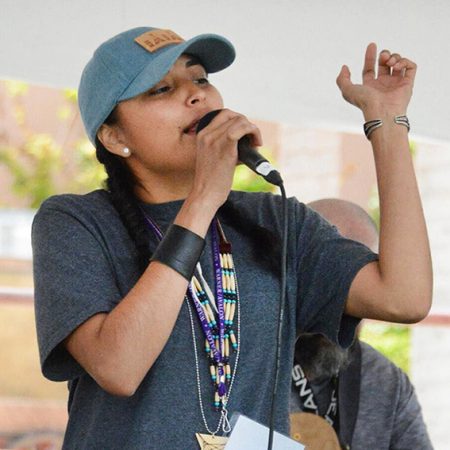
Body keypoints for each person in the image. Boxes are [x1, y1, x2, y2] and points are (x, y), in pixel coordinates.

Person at [31, 26, 432, 449]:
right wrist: (204, 197)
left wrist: (387, 123)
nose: (195, 95)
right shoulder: (76, 223)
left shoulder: (276, 221)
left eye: (201, 79)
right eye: (162, 89)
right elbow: (119, 368)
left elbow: (403, 297)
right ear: (116, 137)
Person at [289, 199, 433, 450]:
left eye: (358, 284)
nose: (340, 305)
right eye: (327, 281)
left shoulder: (386, 381)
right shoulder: (239, 360)